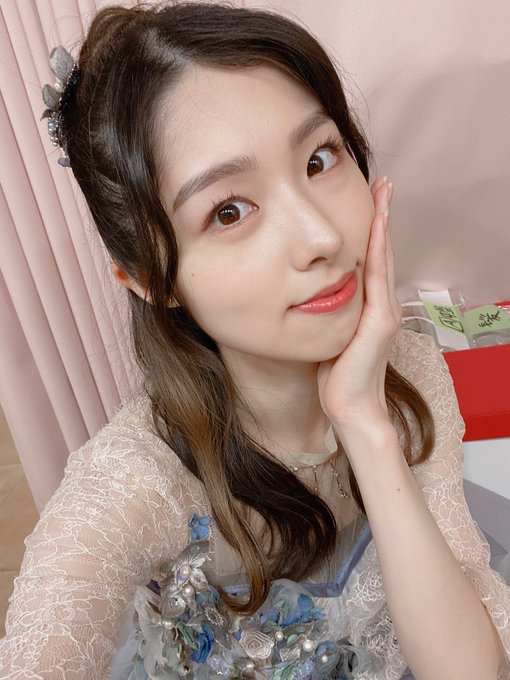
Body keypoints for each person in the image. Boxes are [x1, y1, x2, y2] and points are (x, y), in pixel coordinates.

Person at [1, 2, 509, 678]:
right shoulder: (135, 482)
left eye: (320, 158)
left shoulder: (411, 367)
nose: (322, 237)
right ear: (151, 279)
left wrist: (365, 424)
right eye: (229, 211)